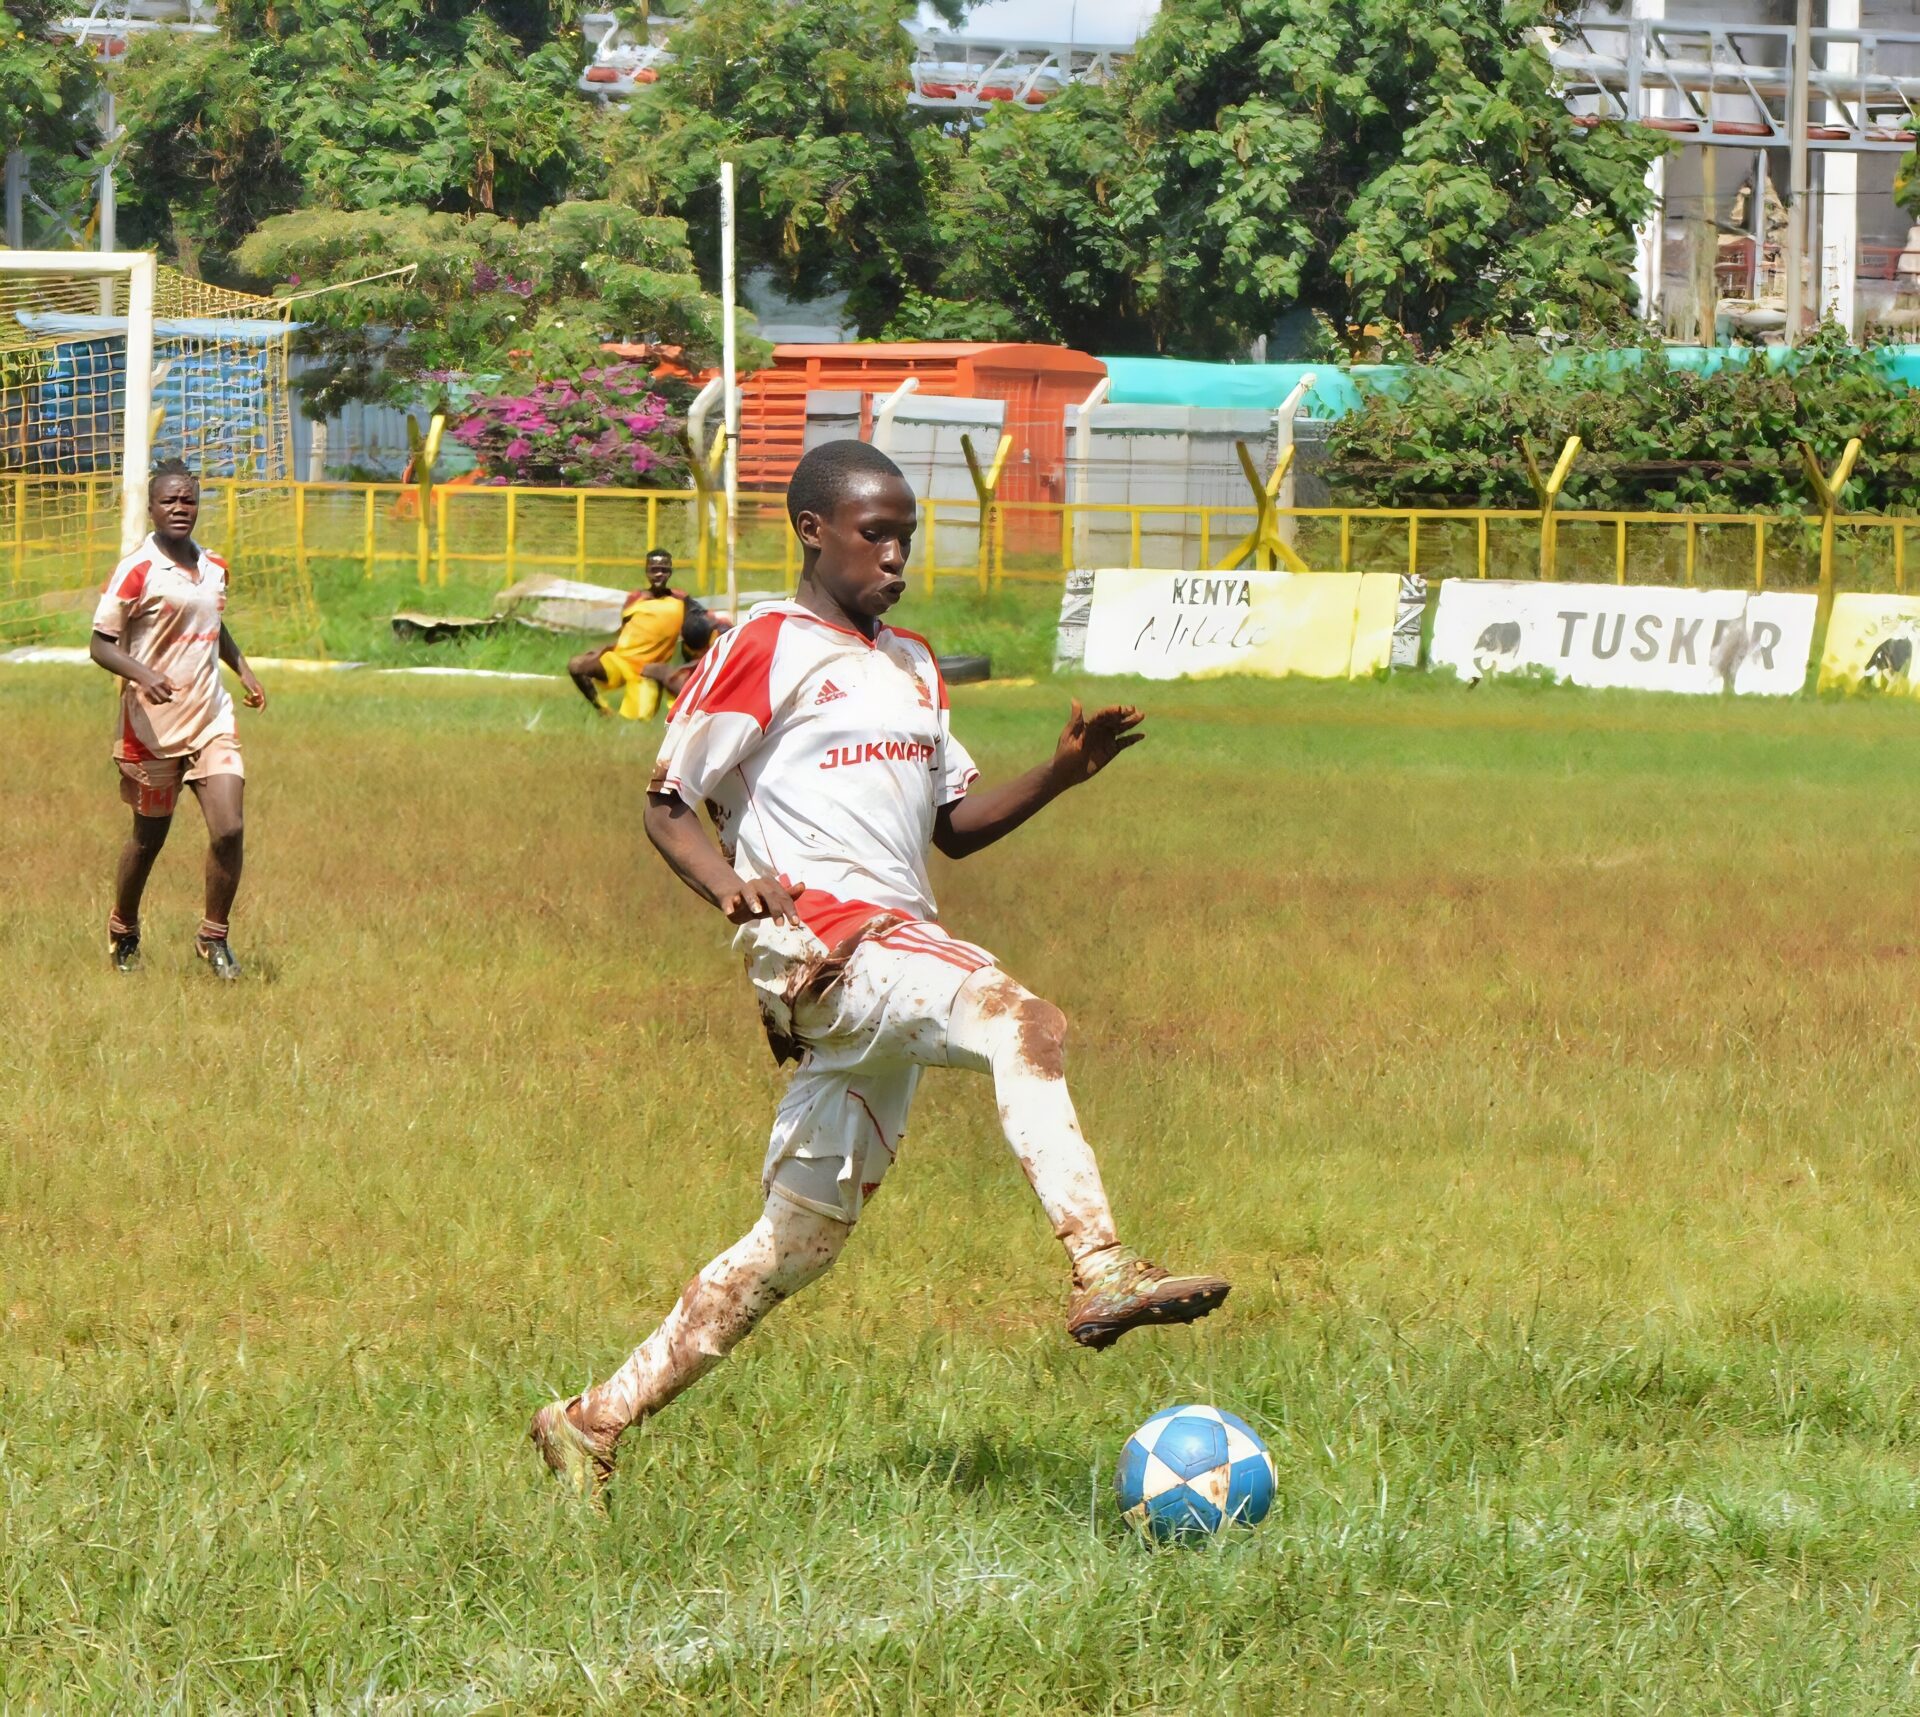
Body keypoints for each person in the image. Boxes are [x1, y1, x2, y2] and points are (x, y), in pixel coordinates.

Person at [531, 439, 1229, 1498]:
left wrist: (1060, 774)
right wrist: (732, 889)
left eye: (908, 534)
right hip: (825, 948)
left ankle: (591, 1419)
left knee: (795, 1242)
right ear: (813, 530)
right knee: (1019, 1017)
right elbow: (667, 804)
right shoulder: (764, 642)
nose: (897, 554)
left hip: (888, 956)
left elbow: (954, 828)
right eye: (876, 533)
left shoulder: (913, 660)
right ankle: (1103, 1267)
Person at [89, 458, 266, 979]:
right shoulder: (136, 569)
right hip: (151, 727)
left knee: (229, 828)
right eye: (169, 500)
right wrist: (142, 674)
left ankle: (214, 938)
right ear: (151, 507)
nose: (180, 508)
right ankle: (123, 928)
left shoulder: (215, 565)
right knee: (149, 839)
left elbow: (214, 624)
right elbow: (100, 645)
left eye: (188, 500)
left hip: (211, 717)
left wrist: (243, 668)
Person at [567, 548, 694, 721]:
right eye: (654, 569)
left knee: (637, 721)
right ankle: (602, 709)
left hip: (646, 672)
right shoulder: (635, 599)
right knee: (576, 665)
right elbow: (625, 633)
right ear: (647, 571)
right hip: (620, 662)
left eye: (664, 569)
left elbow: (694, 634)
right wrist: (604, 649)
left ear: (670, 572)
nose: (659, 574)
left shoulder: (681, 601)